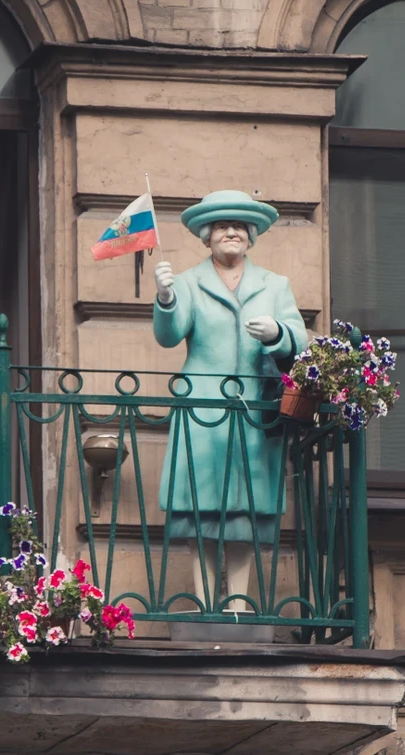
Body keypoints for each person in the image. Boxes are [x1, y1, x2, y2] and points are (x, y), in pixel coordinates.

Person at [152, 189, 306, 614]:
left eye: (239, 226)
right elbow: (169, 334)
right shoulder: (187, 281)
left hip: (255, 411)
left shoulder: (275, 285)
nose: (232, 233)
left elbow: (299, 341)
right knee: (200, 511)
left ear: (251, 235)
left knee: (245, 514)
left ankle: (237, 602)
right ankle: (203, 602)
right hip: (203, 412)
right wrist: (166, 298)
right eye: (222, 226)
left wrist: (277, 332)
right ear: (207, 236)